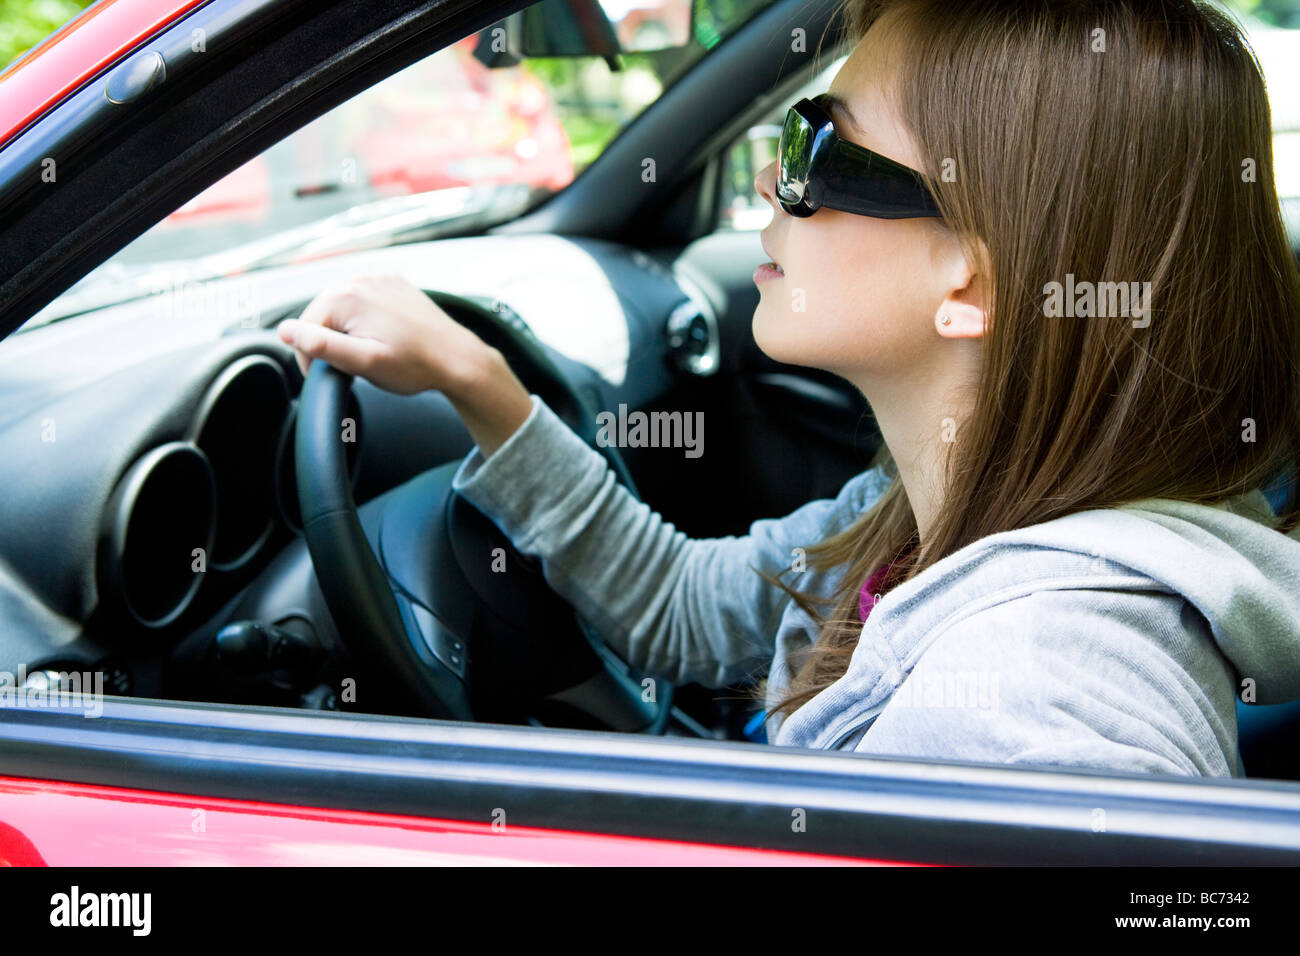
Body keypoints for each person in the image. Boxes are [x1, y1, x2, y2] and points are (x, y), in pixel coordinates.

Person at [278, 0, 1300, 776]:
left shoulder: (1040, 689)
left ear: (970, 280)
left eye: (817, 148)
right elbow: (680, 604)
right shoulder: (916, 525)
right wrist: (478, 382)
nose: (771, 183)